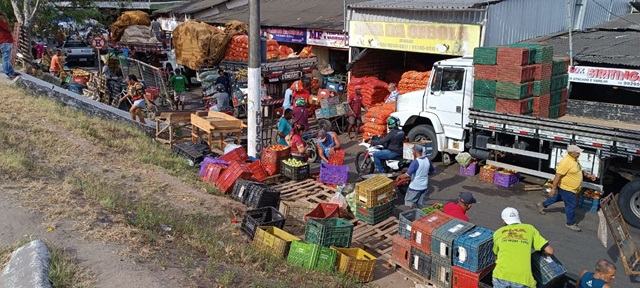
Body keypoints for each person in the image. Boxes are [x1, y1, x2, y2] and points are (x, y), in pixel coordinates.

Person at [536, 145, 597, 232]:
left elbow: (579, 170)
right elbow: (558, 176)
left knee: (557, 198)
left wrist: (588, 175)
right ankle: (570, 223)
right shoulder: (566, 162)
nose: (579, 154)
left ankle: (542, 204)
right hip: (567, 188)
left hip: (568, 189)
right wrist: (553, 188)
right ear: (571, 153)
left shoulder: (574, 160)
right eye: (577, 152)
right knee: (571, 205)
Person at [493, 207, 555, 288]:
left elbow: (496, 256)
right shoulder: (529, 229)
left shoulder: (498, 233)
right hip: (523, 280)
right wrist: (542, 253)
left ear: (503, 220)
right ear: (518, 218)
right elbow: (550, 251)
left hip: (501, 276)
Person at [0, 11, 17, 79]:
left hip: (6, 41)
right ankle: (7, 73)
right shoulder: (0, 21)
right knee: (6, 58)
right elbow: (8, 28)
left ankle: (11, 71)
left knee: (8, 57)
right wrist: (6, 17)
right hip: (5, 41)